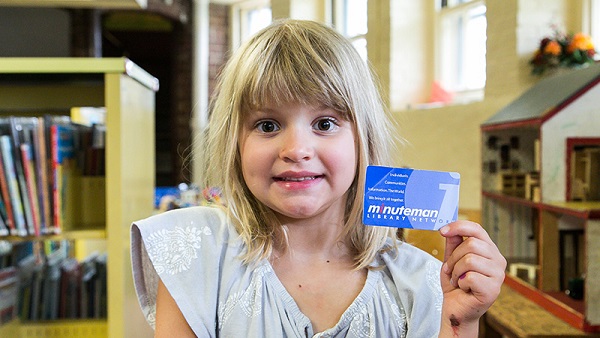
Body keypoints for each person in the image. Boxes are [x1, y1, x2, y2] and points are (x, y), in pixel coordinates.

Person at [131, 19, 506, 337]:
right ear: (235, 142)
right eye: (267, 124)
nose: (296, 149)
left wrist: (460, 321)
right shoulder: (197, 254)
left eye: (325, 123)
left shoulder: (420, 282)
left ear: (363, 139)